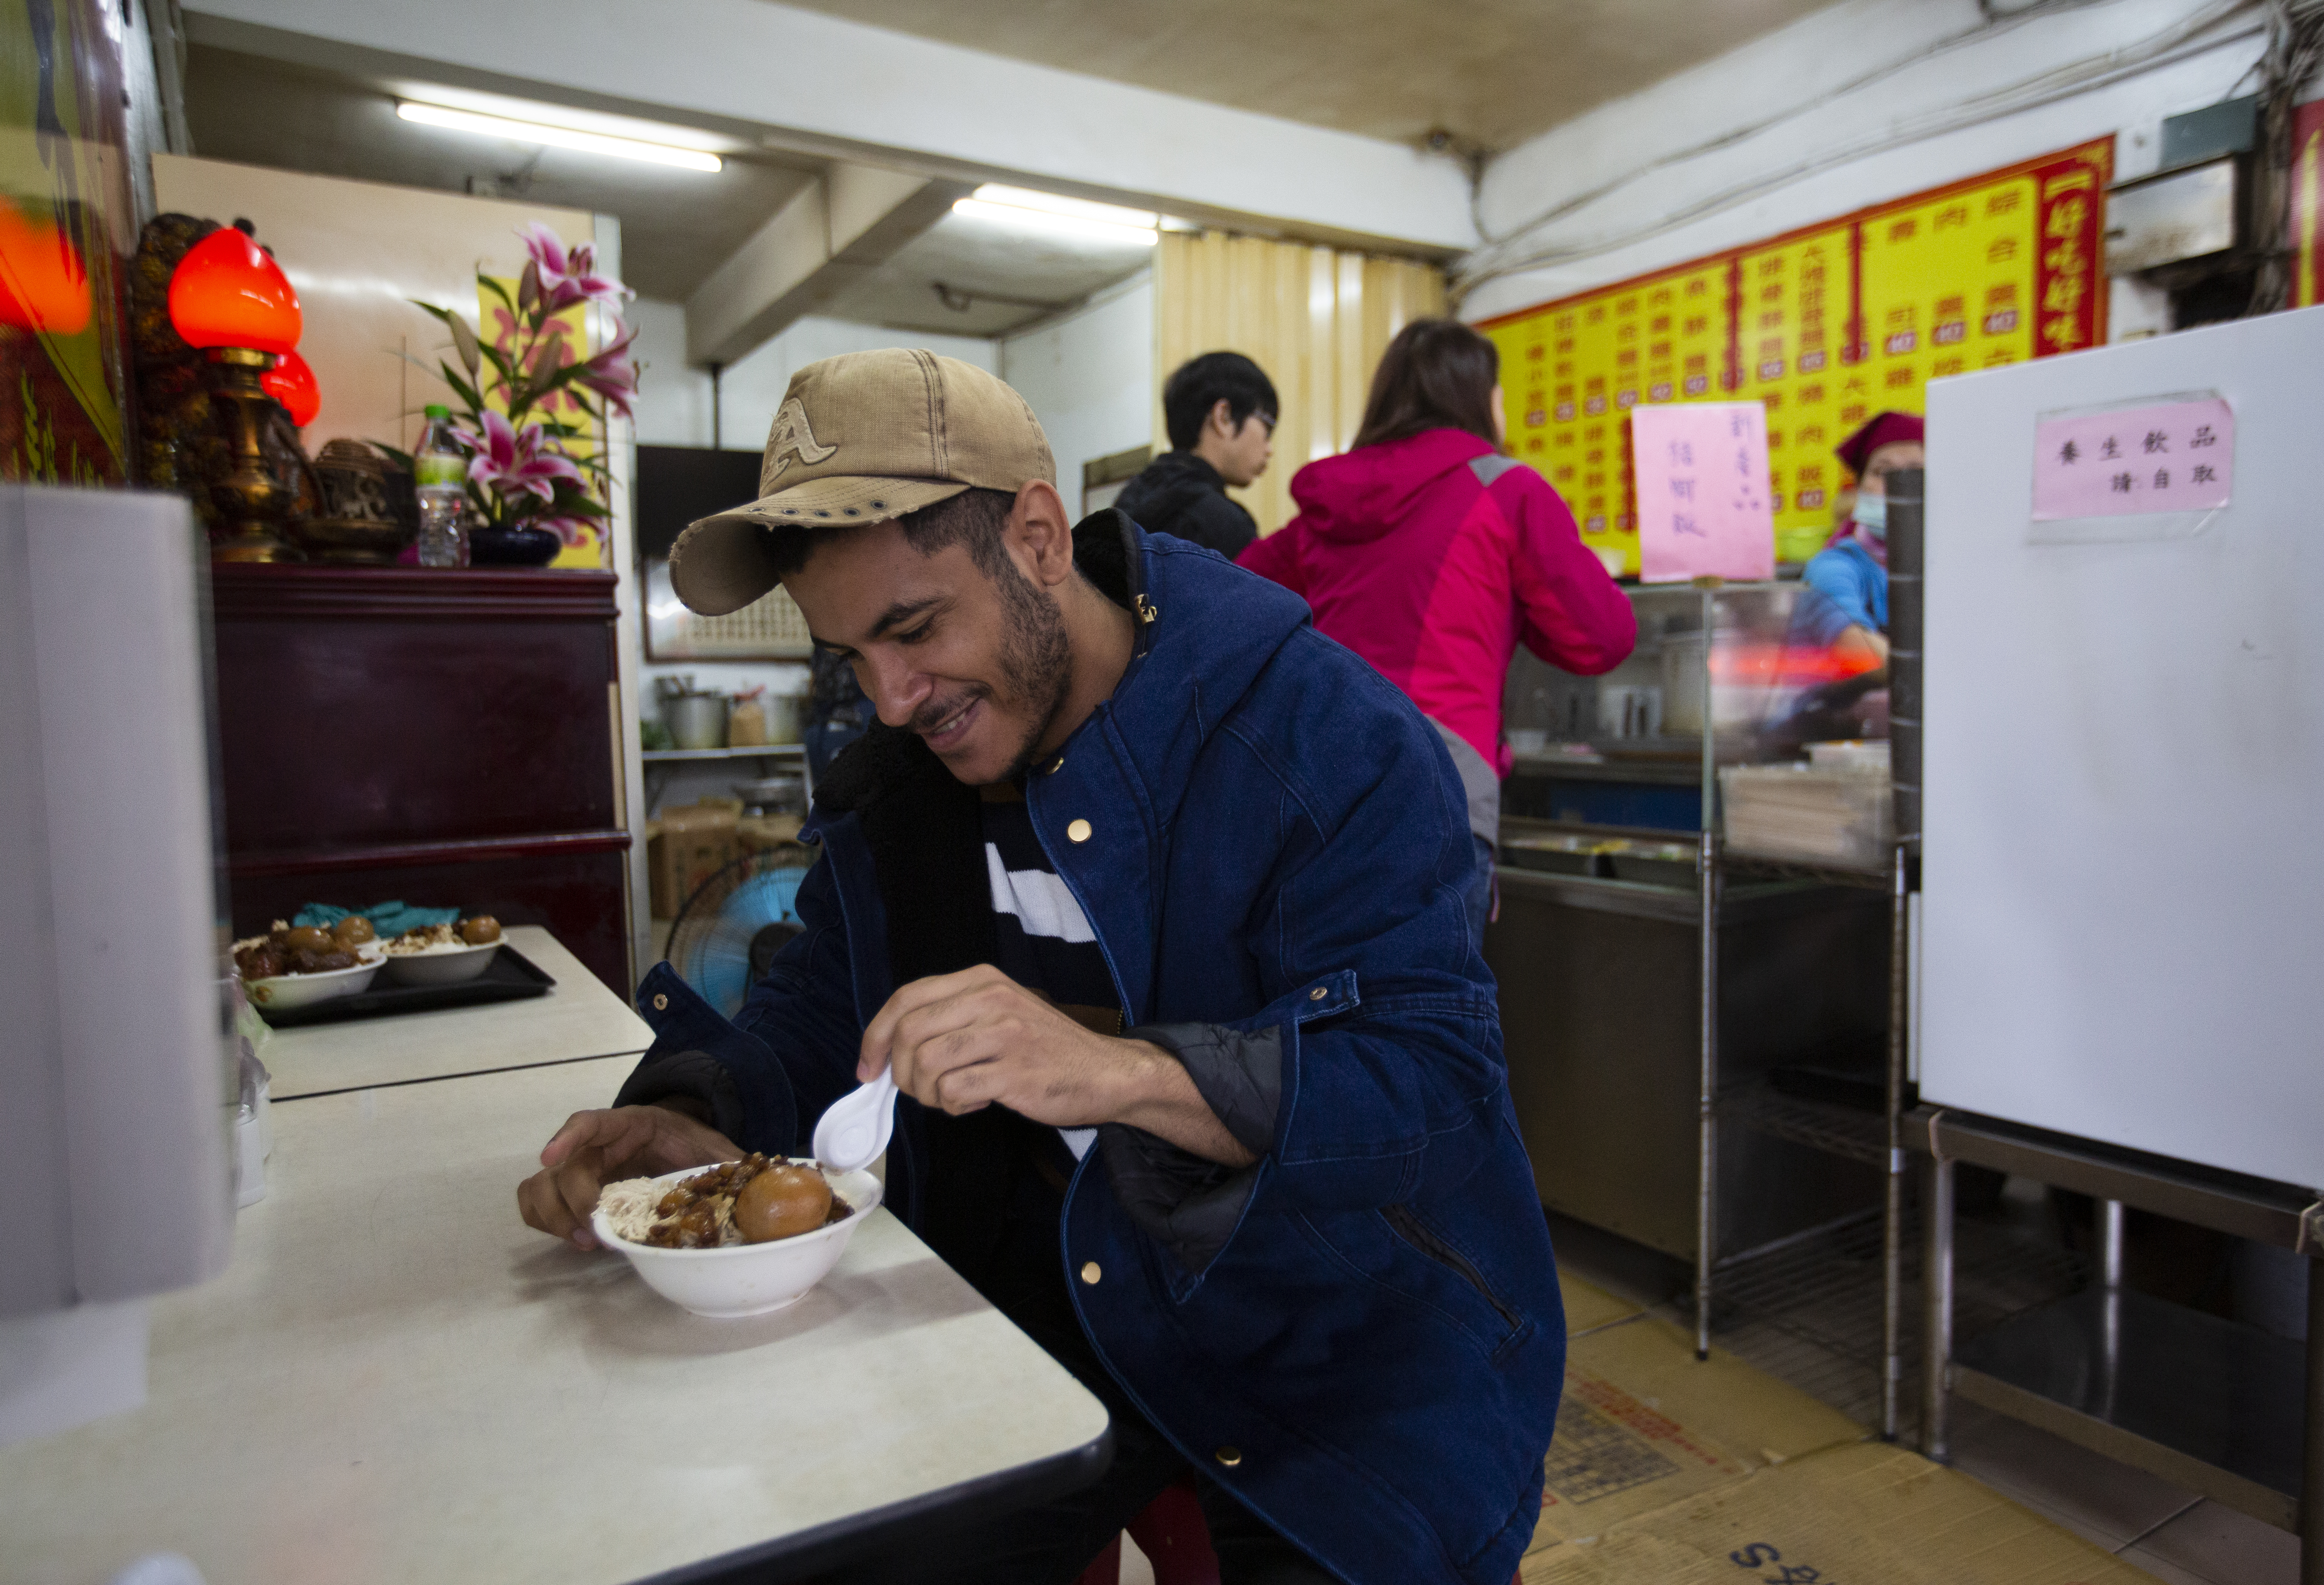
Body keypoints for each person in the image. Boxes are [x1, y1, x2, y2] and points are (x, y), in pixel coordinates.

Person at [516, 349, 1561, 1585]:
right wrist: (699, 1107)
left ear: (1040, 536)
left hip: (1334, 1345)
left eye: (915, 627)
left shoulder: (1323, 738)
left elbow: (1428, 1089)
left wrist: (1122, 1071)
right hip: (1029, 1309)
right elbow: (827, 1007)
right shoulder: (903, 782)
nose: (893, 698)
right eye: (852, 654)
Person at [1236, 318, 1634, 947]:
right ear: (1481, 397)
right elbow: (1602, 636)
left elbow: (1235, 602)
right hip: (1438, 787)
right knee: (1427, 1024)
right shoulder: (1504, 490)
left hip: (1314, 784)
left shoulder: (1326, 509)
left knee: (1323, 1013)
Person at [1112, 351, 1274, 558]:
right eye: (1268, 427)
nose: (1270, 449)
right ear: (1224, 417)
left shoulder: (1127, 501)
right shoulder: (1226, 524)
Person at [1795, 410, 1924, 669]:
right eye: (1881, 473)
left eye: (1915, 473)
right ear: (1860, 488)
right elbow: (1863, 653)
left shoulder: (1951, 569)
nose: (1896, 486)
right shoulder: (1834, 569)